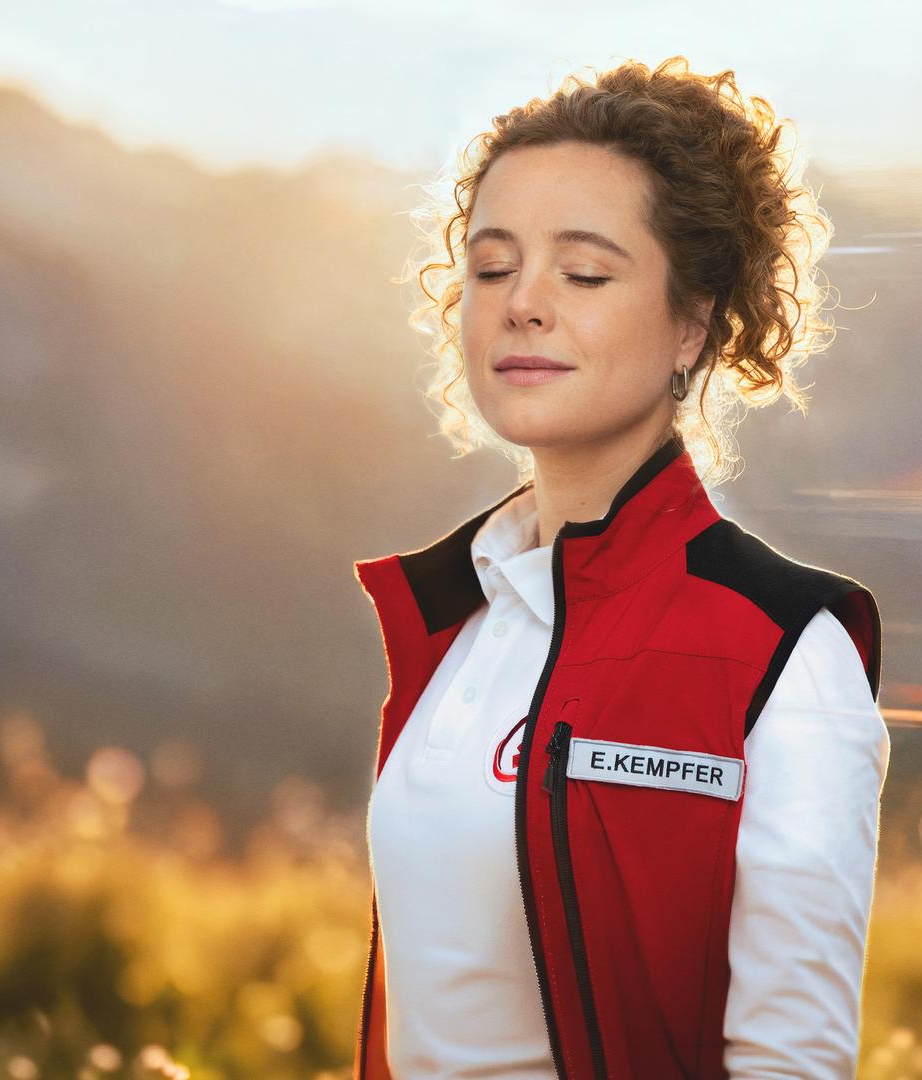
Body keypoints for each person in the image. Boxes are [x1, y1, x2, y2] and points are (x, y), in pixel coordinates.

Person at [352, 57, 890, 1079]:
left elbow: (790, 1061)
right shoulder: (460, 623)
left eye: (585, 273)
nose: (524, 304)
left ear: (695, 322)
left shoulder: (784, 653)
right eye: (492, 267)